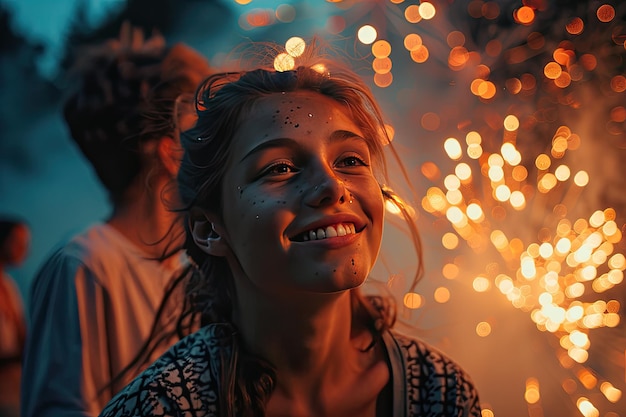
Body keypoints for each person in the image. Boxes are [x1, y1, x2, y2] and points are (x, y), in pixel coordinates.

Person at [99, 40, 482, 417]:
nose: (332, 187)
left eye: (350, 159)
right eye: (280, 168)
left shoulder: (440, 393)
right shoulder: (159, 407)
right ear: (208, 229)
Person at [20, 24, 211, 417]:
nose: (215, 145)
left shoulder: (183, 272)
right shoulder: (84, 266)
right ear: (169, 152)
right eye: (199, 129)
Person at [0, 219, 30, 417]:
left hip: (12, 386)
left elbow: (21, 333)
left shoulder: (9, 285)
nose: (23, 249)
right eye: (17, 241)